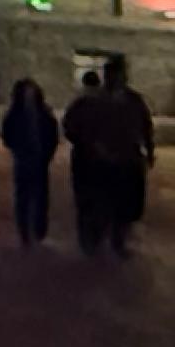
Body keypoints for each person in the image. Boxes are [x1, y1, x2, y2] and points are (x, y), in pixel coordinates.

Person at [95, 55, 158, 255]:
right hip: (104, 159)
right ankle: (104, 236)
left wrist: (149, 150)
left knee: (127, 203)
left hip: (128, 158)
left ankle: (118, 238)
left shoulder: (133, 100)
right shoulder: (97, 100)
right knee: (105, 200)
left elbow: (145, 126)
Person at [0, 76, 60, 245]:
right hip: (24, 159)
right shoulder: (15, 114)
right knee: (24, 196)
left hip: (40, 159)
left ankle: (39, 230)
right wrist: (18, 150)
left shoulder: (44, 113)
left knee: (40, 196)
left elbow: (52, 134)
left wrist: (48, 153)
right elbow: (7, 135)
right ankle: (25, 231)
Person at [62, 68, 114, 250]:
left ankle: (87, 237)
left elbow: (68, 128)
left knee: (85, 199)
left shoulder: (79, 105)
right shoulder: (106, 105)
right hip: (102, 157)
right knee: (101, 196)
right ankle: (98, 233)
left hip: (84, 156)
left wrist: (81, 141)